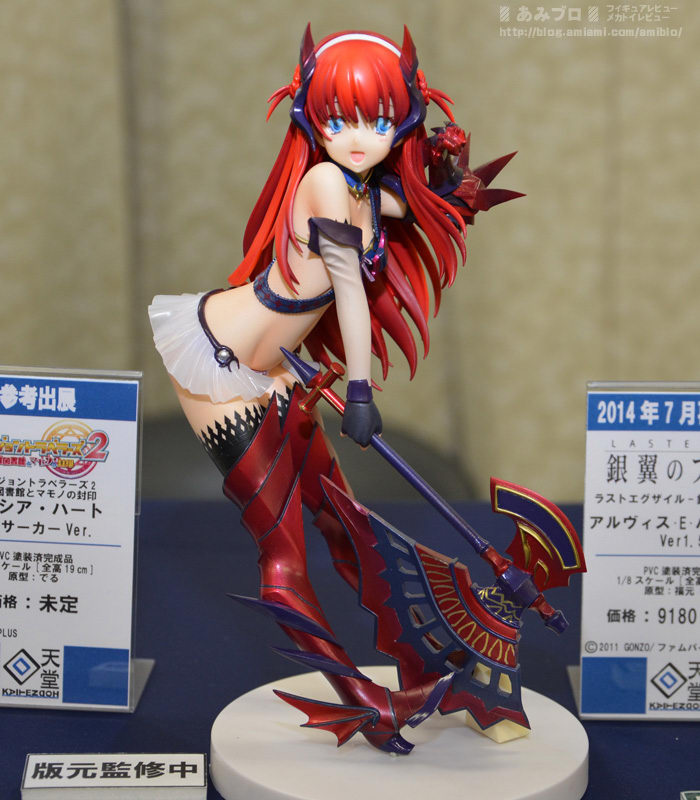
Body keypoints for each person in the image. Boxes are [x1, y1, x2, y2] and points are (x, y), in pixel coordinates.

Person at [149, 26, 518, 753]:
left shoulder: (359, 188)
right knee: (285, 558)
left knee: (346, 523)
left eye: (378, 121)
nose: (357, 138)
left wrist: (452, 189)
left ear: (402, 122)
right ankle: (364, 702)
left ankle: (423, 663)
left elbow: (408, 211)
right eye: (339, 120)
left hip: (276, 370)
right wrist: (359, 388)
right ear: (311, 121)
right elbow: (348, 288)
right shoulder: (323, 183)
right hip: (221, 369)